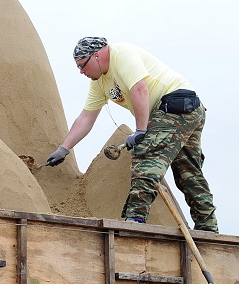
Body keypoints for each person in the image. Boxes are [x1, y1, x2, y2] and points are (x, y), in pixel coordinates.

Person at [46, 37, 218, 232]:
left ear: (96, 56)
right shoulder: (99, 83)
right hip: (185, 112)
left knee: (146, 156)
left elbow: (140, 89)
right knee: (188, 172)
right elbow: (86, 118)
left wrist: (141, 131)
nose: (81, 72)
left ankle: (135, 219)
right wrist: (63, 149)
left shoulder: (122, 54)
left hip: (176, 102)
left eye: (82, 66)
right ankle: (208, 228)